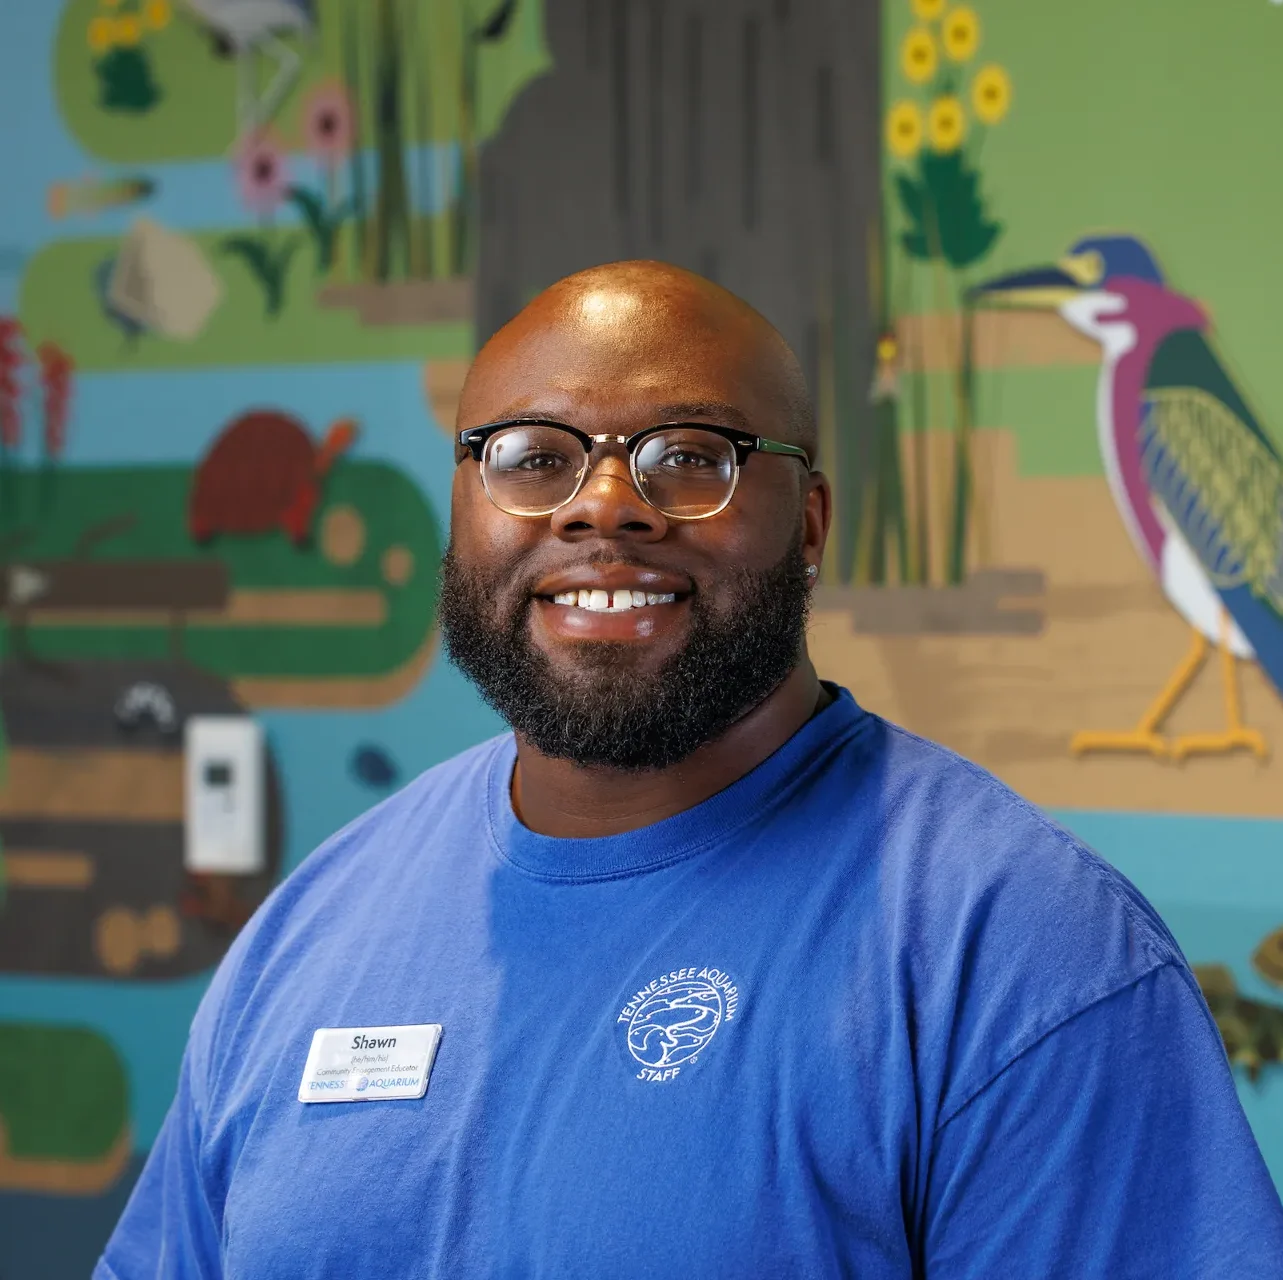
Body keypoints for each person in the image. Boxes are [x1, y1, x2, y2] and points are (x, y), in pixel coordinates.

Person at [97, 262, 1283, 1278]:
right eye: (531, 455)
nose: (603, 505)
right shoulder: (313, 928)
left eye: (687, 455)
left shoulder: (1022, 953)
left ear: (807, 522)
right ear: (462, 509)